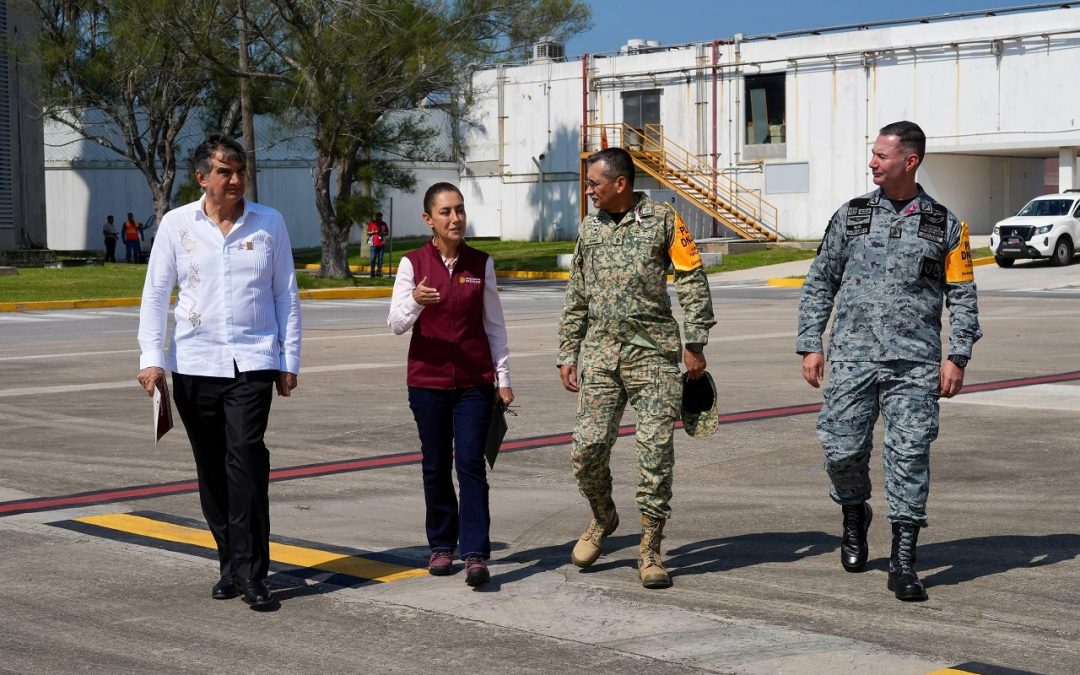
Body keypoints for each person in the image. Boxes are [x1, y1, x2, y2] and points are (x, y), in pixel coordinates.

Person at [796, 120, 981, 602]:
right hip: (853, 359)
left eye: (881, 155)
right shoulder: (851, 215)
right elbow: (820, 281)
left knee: (909, 456)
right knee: (841, 450)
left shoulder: (945, 225)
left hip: (915, 365)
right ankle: (854, 514)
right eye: (872, 154)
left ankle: (903, 560)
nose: (872, 162)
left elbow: (962, 295)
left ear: (910, 161)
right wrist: (810, 342)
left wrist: (957, 355)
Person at [136, 133, 302, 611]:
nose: (235, 180)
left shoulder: (269, 223)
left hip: (252, 362)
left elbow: (285, 294)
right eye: (225, 172)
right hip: (194, 364)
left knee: (245, 459)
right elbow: (156, 293)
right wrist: (152, 358)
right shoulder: (176, 225)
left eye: (240, 171)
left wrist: (288, 361)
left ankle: (253, 574)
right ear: (202, 177)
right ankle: (229, 563)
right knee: (211, 469)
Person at [557, 147, 715, 589]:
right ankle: (603, 518)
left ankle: (650, 548)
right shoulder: (589, 228)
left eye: (594, 184)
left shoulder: (664, 220)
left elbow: (691, 278)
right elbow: (577, 294)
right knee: (586, 449)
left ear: (619, 183)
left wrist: (696, 341)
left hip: (654, 357)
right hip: (603, 357)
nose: (588, 191)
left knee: (653, 454)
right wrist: (568, 350)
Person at [387, 182, 513, 588]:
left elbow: (494, 325)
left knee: (471, 465)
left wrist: (503, 378)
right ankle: (442, 545)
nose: (455, 218)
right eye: (445, 212)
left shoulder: (481, 263)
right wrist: (415, 303)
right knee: (436, 465)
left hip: (475, 382)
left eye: (459, 210)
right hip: (428, 382)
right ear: (429, 219)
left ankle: (475, 552)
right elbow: (395, 324)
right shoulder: (412, 263)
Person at [366, 212, 390, 277]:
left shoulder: (384, 224)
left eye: (380, 217)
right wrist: (373, 232)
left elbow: (387, 233)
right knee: (373, 258)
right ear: (376, 216)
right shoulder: (372, 223)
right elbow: (368, 232)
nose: (379, 218)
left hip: (381, 243)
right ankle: (372, 271)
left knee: (381, 258)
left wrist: (383, 233)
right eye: (378, 216)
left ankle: (379, 271)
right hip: (374, 243)